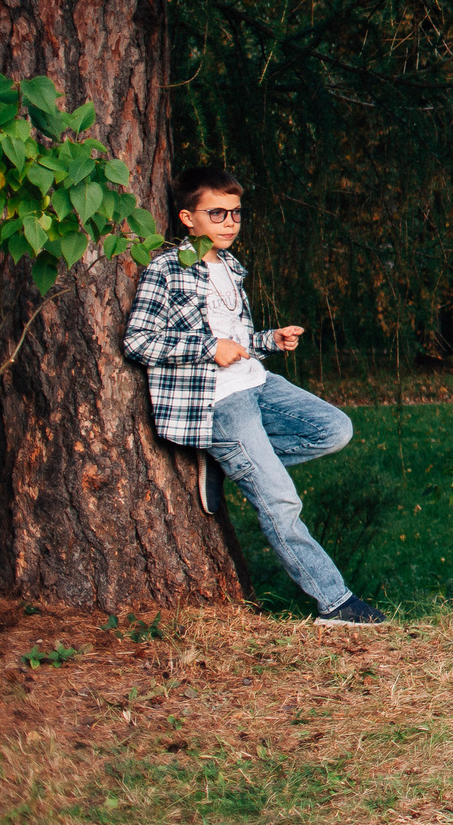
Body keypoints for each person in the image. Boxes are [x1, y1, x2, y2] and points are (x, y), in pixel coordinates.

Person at [122, 167, 387, 627]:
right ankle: (335, 603)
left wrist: (269, 339)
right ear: (188, 218)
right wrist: (208, 348)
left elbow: (233, 339)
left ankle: (232, 465)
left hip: (257, 381)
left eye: (236, 213)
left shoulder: (230, 267)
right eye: (217, 213)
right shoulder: (166, 269)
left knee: (334, 429)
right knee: (281, 500)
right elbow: (138, 341)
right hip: (217, 402)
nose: (229, 222)